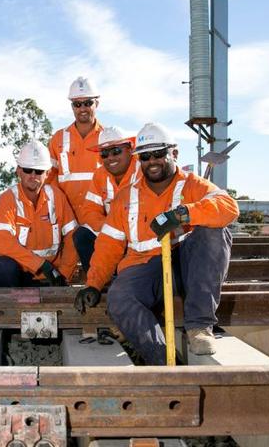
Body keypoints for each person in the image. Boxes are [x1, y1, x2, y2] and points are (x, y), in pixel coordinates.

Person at [73, 122, 239, 364]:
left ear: (174, 153)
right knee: (119, 296)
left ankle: (199, 327)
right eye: (145, 156)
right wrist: (93, 284)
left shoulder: (192, 185)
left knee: (214, 232)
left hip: (187, 268)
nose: (151, 161)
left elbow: (228, 208)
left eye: (159, 154)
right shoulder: (126, 197)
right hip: (147, 268)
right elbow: (108, 245)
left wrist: (183, 214)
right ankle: (163, 362)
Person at [0, 140, 79, 288]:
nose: (33, 175)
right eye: (28, 170)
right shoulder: (8, 198)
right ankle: (8, 308)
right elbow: (2, 243)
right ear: (18, 171)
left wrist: (64, 274)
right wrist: (40, 264)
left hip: (45, 275)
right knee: (5, 267)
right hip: (15, 271)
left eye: (39, 171)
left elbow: (73, 235)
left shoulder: (57, 197)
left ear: (47, 173)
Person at [73, 126, 140, 272]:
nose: (110, 158)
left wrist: (125, 233)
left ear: (130, 148)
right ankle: (100, 284)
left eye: (116, 151)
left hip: (139, 235)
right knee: (82, 235)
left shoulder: (142, 171)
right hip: (111, 232)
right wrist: (110, 229)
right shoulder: (100, 175)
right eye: (104, 154)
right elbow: (89, 211)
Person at [48, 76, 103, 222]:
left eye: (87, 103)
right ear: (72, 106)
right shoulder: (57, 139)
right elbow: (47, 179)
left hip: (99, 222)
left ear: (96, 103)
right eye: (77, 104)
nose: (83, 108)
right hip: (66, 221)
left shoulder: (108, 139)